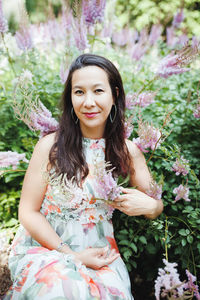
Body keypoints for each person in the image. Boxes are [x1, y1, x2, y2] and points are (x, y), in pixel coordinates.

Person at [4, 53, 163, 299]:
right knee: (65, 289)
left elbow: (156, 205)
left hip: (101, 255)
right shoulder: (51, 147)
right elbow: (27, 212)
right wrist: (71, 255)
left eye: (98, 91)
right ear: (70, 98)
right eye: (79, 92)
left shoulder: (128, 151)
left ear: (115, 94)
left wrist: (150, 205)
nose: (88, 102)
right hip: (47, 250)